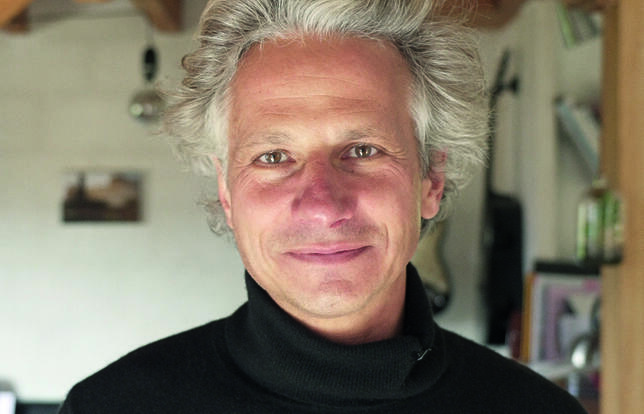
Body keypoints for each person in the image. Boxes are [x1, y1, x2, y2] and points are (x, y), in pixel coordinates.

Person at [58, 1, 587, 412]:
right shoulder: (110, 407)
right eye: (273, 157)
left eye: (363, 150)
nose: (322, 205)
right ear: (226, 192)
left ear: (431, 178)